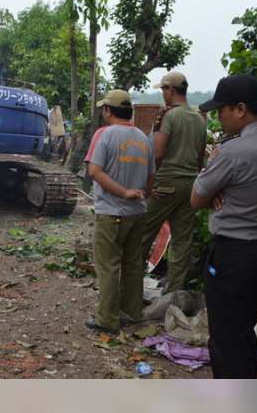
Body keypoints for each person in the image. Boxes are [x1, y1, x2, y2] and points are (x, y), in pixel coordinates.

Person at [190, 74, 257, 379]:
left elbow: (197, 198)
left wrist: (213, 165)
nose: (218, 117)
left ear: (240, 109)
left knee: (226, 338)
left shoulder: (232, 151)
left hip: (234, 256)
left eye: (221, 110)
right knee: (242, 331)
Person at [85, 89, 155, 333]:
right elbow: (151, 177)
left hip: (111, 213)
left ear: (107, 110)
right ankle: (133, 312)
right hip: (138, 213)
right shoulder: (144, 138)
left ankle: (107, 319)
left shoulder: (105, 135)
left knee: (108, 266)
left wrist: (123, 192)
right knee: (134, 264)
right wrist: (138, 195)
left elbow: (94, 171)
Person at [140, 71, 207, 293]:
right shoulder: (199, 118)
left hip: (166, 183)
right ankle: (173, 294)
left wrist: (151, 185)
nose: (162, 95)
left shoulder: (168, 116)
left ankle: (130, 288)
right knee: (182, 240)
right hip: (190, 186)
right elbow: (199, 158)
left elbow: (157, 154)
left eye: (163, 90)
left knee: (142, 234)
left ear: (171, 90)